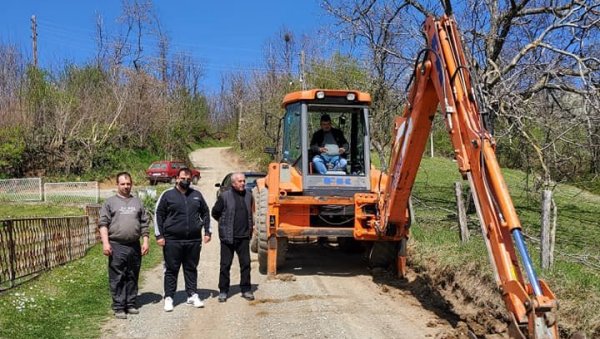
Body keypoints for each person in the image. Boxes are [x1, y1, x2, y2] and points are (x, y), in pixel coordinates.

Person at [155, 167, 212, 312]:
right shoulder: (167, 195)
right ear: (176, 178)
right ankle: (169, 297)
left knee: (191, 268)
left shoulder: (197, 195)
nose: (185, 181)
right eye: (182, 178)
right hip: (172, 240)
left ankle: (192, 294)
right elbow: (158, 215)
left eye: (188, 178)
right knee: (171, 269)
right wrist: (159, 235)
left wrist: (207, 231)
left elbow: (205, 213)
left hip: (193, 240)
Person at [98, 172, 150, 319]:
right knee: (117, 277)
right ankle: (119, 306)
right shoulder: (109, 203)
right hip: (116, 245)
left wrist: (145, 241)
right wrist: (106, 243)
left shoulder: (137, 202)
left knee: (132, 275)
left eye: (128, 184)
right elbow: (103, 224)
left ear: (131, 184)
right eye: (123, 184)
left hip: (134, 245)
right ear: (117, 185)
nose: (126, 187)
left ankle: (131, 303)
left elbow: (144, 223)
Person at [211, 172, 255, 302]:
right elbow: (215, 213)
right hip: (228, 237)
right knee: (225, 265)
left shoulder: (249, 195)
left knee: (246, 264)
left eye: (243, 181)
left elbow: (250, 213)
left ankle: (246, 289)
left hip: (244, 237)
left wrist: (251, 228)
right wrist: (224, 225)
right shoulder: (225, 197)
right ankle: (223, 291)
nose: (243, 183)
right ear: (233, 183)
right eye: (240, 181)